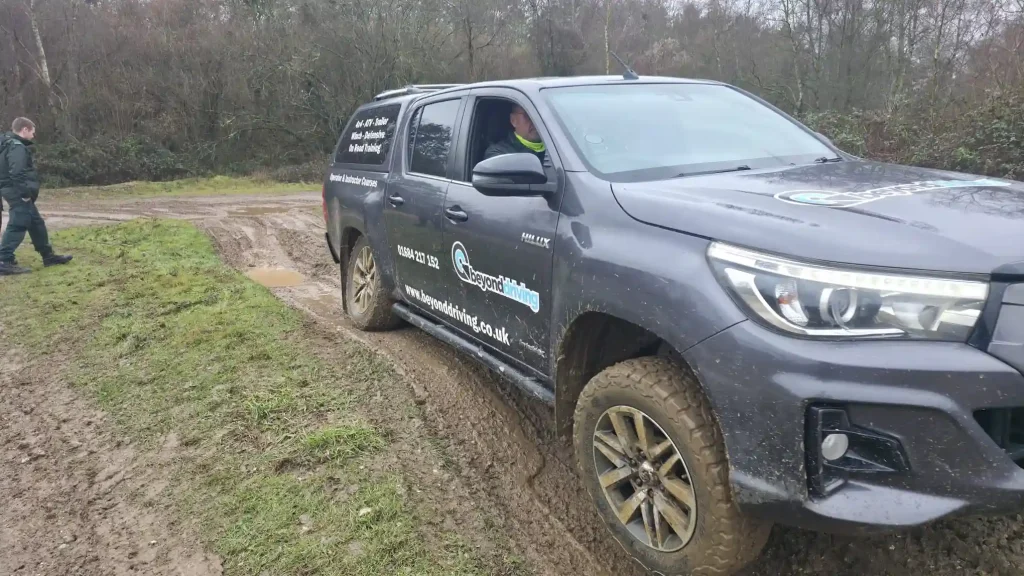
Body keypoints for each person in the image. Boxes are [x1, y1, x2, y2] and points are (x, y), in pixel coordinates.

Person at [0, 117, 72, 275]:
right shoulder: (16, 147)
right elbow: (17, 172)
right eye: (32, 131)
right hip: (16, 191)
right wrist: (25, 193)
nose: (34, 135)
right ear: (24, 130)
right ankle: (4, 260)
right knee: (18, 223)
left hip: (9, 188)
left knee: (36, 222)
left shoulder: (6, 143)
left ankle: (48, 256)